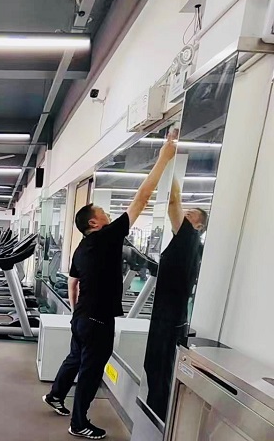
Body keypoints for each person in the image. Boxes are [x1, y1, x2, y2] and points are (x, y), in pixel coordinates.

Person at [42, 136, 177, 439]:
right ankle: (78, 423)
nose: (107, 213)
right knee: (90, 371)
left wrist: (77, 312)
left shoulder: (81, 248)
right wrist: (164, 158)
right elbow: (141, 198)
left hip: (82, 317)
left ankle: (55, 395)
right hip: (97, 320)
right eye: (102, 211)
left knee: (75, 358)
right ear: (94, 223)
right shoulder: (107, 237)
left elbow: (73, 283)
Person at [143, 177, 207, 420]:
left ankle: (156, 419)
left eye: (191, 215)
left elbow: (173, 201)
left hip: (169, 318)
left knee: (159, 370)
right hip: (169, 315)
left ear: (199, 226)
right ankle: (156, 416)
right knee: (156, 368)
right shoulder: (187, 243)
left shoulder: (189, 238)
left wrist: (168, 163)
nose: (185, 215)